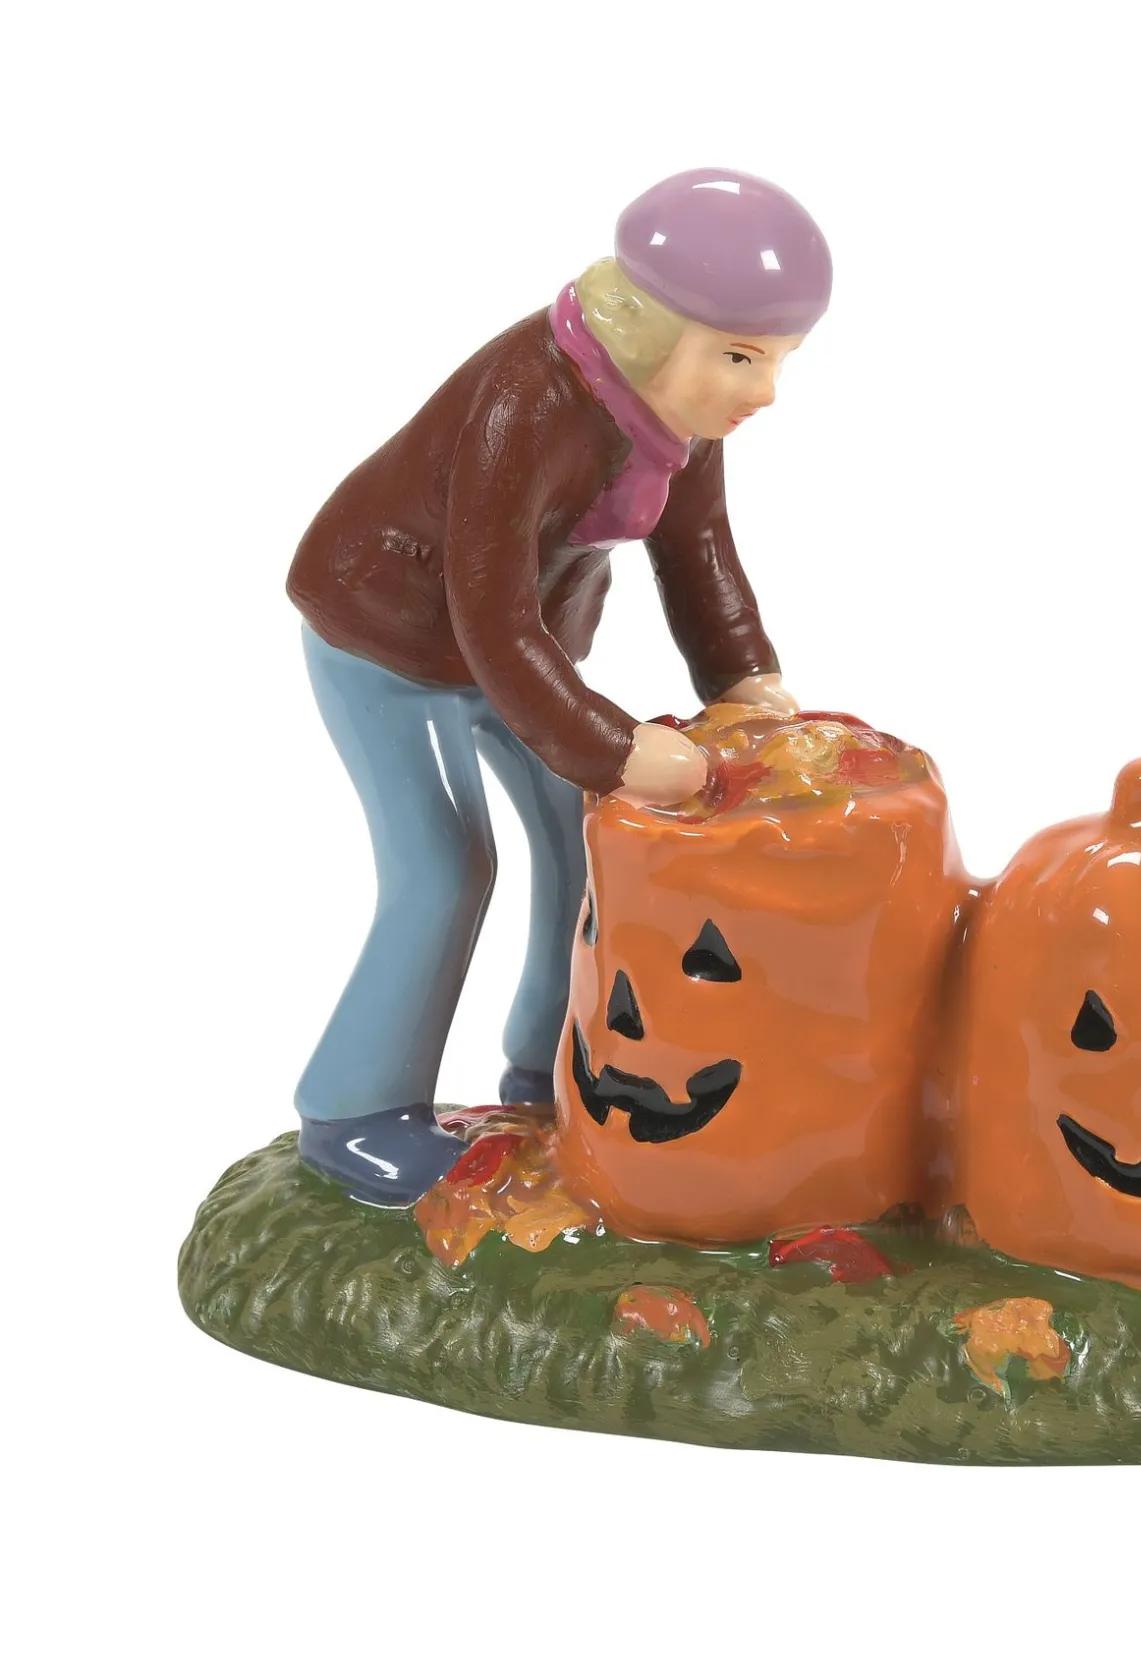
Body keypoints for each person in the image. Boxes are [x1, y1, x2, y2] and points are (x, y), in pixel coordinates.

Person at [285, 168, 832, 1204]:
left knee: (586, 841)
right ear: (650, 329)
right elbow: (484, 609)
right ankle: (354, 1110)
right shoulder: (525, 402)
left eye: (777, 360)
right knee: (445, 865)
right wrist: (613, 747)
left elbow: (699, 551)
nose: (763, 391)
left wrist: (745, 678)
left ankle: (550, 1066)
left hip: (521, 654)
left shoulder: (676, 411)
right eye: (740, 357)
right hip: (390, 640)